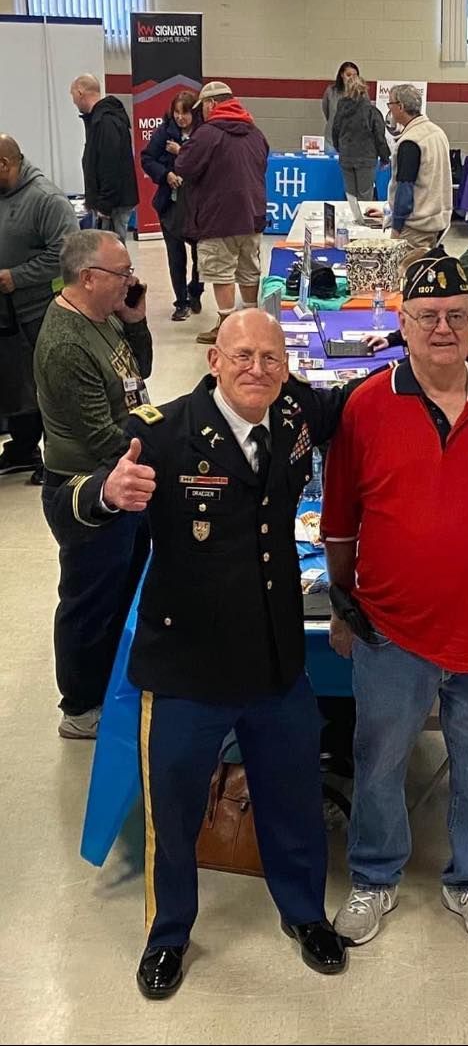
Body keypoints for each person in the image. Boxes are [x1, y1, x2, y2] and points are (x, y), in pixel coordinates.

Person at [63, 309, 363, 999]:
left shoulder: (293, 415)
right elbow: (66, 497)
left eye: (270, 357)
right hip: (187, 667)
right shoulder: (159, 433)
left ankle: (303, 914)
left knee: (290, 798)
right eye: (242, 356)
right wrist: (107, 495)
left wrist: (467, 361)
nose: (257, 368)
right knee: (173, 810)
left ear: (285, 368)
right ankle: (169, 932)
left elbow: (357, 399)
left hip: (274, 660)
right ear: (214, 361)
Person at [322, 251, 468, 949]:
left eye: (456, 316)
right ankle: (374, 876)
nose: (443, 328)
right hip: (391, 627)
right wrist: (340, 605)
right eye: (428, 316)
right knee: (380, 759)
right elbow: (339, 521)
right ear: (403, 321)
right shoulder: (364, 404)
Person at [33, 230, 152, 739]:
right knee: (90, 601)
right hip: (85, 492)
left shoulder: (103, 318)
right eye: (122, 274)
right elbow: (102, 436)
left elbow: (136, 373)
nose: (131, 280)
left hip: (121, 476)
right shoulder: (65, 345)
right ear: (88, 278)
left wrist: (137, 319)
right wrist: (159, 461)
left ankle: (111, 686)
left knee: (123, 589)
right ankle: (80, 709)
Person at [0, 134, 78, 484]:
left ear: (5, 164)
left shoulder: (46, 199)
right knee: (13, 383)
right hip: (5, 316)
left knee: (47, 385)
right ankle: (22, 448)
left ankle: (57, 458)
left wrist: (16, 276)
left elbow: (66, 256)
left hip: (37, 311)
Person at [175, 81, 269, 346]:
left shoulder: (207, 133)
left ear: (211, 104)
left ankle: (226, 327)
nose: (201, 114)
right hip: (252, 214)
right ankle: (251, 321)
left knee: (221, 271)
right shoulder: (255, 132)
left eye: (202, 108)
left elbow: (184, 165)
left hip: (217, 217)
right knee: (249, 269)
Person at [140, 90, 204, 321]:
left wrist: (182, 152)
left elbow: (207, 163)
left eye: (185, 113)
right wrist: (166, 174)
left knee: (202, 256)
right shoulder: (165, 132)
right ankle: (181, 301)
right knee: (176, 257)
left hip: (199, 208)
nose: (180, 118)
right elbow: (147, 158)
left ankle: (195, 290)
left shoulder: (204, 133)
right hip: (171, 205)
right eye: (176, 112)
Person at [70, 74, 139, 243]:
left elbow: (111, 165)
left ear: (80, 92)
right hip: (109, 202)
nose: (73, 102)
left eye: (73, 96)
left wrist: (105, 206)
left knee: (111, 253)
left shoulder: (105, 121)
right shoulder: (99, 120)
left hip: (112, 205)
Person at [385, 84, 453, 249]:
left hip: (415, 229)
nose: (389, 110)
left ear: (400, 107)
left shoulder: (410, 141)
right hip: (437, 222)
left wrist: (396, 228)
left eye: (390, 104)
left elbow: (405, 189)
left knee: (406, 273)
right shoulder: (437, 132)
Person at [331, 74, 390, 227]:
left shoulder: (341, 110)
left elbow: (335, 131)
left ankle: (350, 226)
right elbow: (379, 137)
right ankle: (366, 227)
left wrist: (340, 149)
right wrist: (385, 158)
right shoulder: (371, 111)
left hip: (346, 157)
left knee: (350, 194)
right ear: (365, 90)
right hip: (366, 159)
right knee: (365, 195)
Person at [322, 61, 360, 141]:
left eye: (355, 76)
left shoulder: (361, 93)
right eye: (348, 75)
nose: (351, 78)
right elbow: (326, 111)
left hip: (353, 140)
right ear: (342, 75)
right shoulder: (331, 91)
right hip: (331, 138)